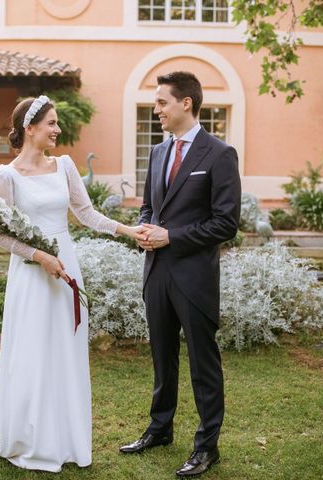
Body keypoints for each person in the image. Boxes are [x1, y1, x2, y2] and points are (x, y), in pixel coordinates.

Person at [0, 95, 145, 473]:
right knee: (32, 351)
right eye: (52, 123)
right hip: (31, 274)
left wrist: (127, 230)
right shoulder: (4, 177)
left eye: (57, 123)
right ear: (30, 128)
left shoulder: (65, 166)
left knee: (65, 350)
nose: (58, 130)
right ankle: (30, 435)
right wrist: (40, 257)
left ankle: (67, 436)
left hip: (67, 268)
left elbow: (85, 213)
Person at [119, 72, 241, 478]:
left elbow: (226, 224)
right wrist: (144, 230)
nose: (156, 111)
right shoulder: (157, 153)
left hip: (194, 277)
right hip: (156, 272)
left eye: (161, 103)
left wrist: (171, 236)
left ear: (185, 103)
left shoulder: (220, 155)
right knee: (161, 357)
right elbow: (149, 206)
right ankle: (160, 429)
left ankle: (207, 446)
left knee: (202, 364)